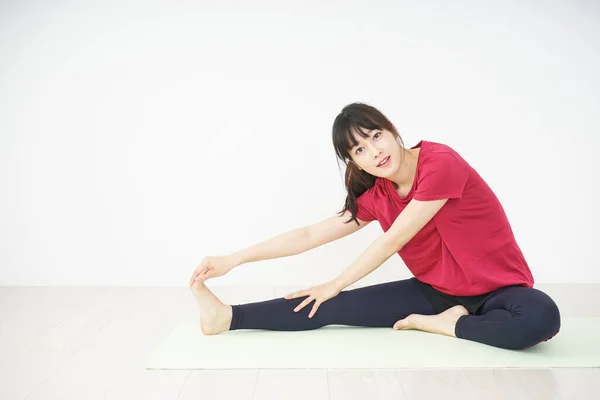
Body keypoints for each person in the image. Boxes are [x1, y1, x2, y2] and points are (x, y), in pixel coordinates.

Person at [188, 102, 561, 350]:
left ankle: (446, 325)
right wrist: (234, 259)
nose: (375, 152)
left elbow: (393, 240)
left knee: (542, 317)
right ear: (354, 161)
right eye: (360, 150)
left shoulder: (440, 163)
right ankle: (228, 317)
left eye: (375, 136)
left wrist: (335, 282)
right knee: (329, 307)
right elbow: (309, 234)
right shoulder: (377, 194)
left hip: (500, 289)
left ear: (391, 129)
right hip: (436, 292)